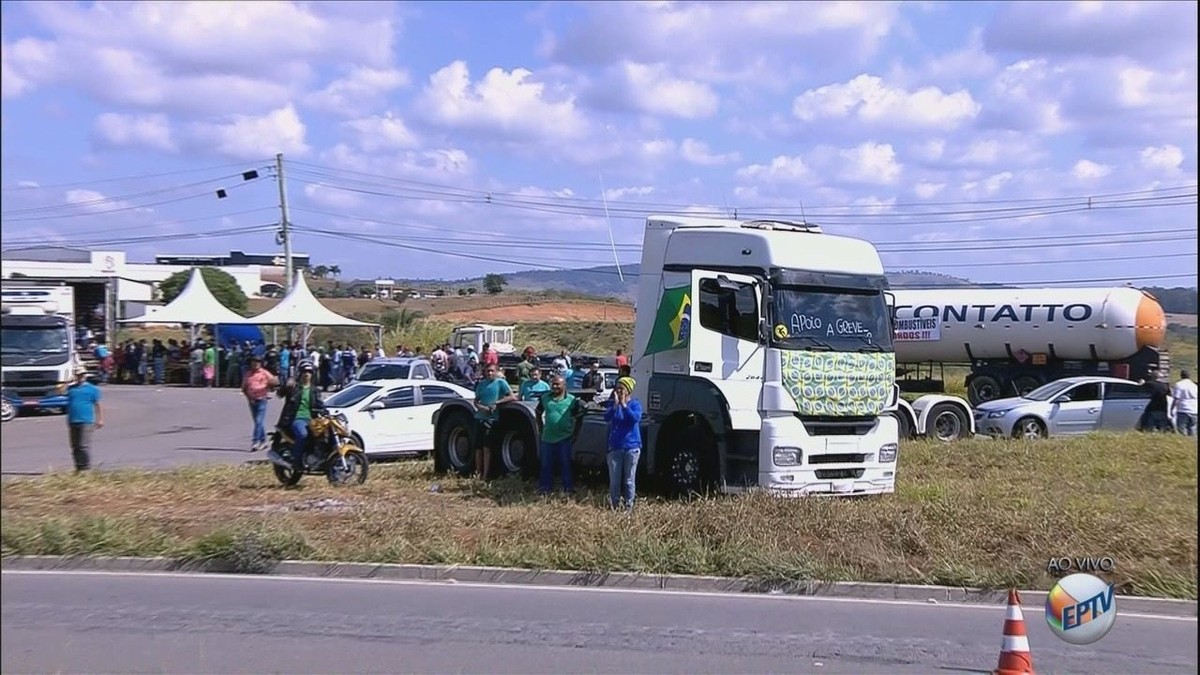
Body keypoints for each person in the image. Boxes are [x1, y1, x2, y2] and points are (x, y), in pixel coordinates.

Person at [535, 375, 586, 496]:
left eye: (558, 384)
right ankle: (545, 489)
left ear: (564, 385)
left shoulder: (571, 400)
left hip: (564, 438)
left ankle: (568, 489)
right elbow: (538, 413)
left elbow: (579, 418)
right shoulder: (545, 398)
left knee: (565, 464)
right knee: (546, 465)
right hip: (547, 438)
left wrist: (576, 434)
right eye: (553, 384)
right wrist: (541, 428)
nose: (555, 386)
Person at [273, 361, 326, 472]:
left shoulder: (314, 390)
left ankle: (317, 458)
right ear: (300, 374)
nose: (307, 374)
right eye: (304, 372)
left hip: (311, 420)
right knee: (303, 435)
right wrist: (286, 385)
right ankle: (296, 461)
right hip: (296, 419)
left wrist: (326, 411)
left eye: (309, 372)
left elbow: (319, 404)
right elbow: (279, 395)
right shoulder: (294, 387)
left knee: (324, 434)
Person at [604, 376, 643, 510]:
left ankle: (629, 508)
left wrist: (624, 406)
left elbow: (634, 419)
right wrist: (615, 405)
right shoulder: (613, 404)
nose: (619, 391)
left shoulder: (635, 404)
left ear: (628, 391)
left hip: (631, 448)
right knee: (614, 481)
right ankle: (614, 506)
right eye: (617, 388)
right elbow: (606, 417)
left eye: (622, 389)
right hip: (615, 447)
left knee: (629, 480)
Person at [473, 363, 515, 480]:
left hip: (492, 419)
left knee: (487, 448)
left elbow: (512, 396)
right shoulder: (481, 384)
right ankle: (478, 472)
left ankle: (486, 474)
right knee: (478, 448)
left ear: (496, 372)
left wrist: (497, 403)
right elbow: (476, 401)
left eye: (492, 371)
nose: (490, 373)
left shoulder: (501, 383)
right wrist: (481, 407)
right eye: (488, 371)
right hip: (480, 417)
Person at [65, 365, 103, 472]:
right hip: (73, 420)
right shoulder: (71, 389)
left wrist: (100, 419)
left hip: (86, 420)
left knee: (83, 445)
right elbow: (60, 392)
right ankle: (78, 467)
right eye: (78, 375)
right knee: (75, 446)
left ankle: (86, 468)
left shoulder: (92, 389)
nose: (80, 377)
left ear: (85, 376)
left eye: (82, 375)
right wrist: (68, 381)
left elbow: (98, 404)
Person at [242, 354, 279, 452]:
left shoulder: (264, 373)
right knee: (258, 422)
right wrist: (249, 398)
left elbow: (275, 382)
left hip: (262, 399)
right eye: (253, 362)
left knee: (259, 421)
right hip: (252, 400)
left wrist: (271, 383)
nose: (255, 364)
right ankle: (263, 440)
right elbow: (244, 388)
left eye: (257, 362)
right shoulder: (248, 374)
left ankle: (255, 441)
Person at [1169, 369, 1197, 436]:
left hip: (1183, 409)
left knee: (1181, 428)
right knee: (1192, 428)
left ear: (1181, 376)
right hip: (1194, 410)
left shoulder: (1179, 385)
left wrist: (1172, 409)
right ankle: (1192, 442)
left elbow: (1176, 398)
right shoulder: (1194, 386)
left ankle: (1184, 442)